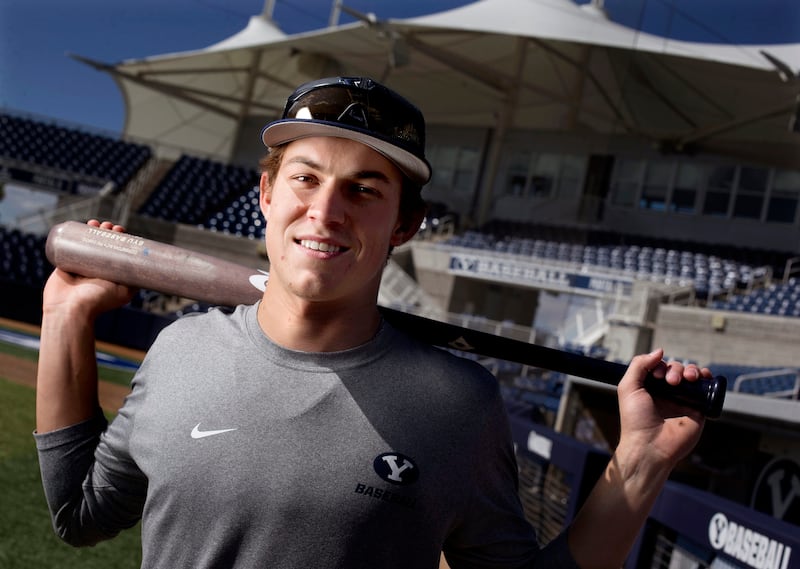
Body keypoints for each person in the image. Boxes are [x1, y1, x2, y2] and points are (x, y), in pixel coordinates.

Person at [35, 76, 710, 568]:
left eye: (364, 189)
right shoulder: (181, 349)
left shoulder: (457, 404)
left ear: (405, 224)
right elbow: (82, 513)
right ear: (266, 194)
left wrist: (639, 464)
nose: (326, 212)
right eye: (306, 178)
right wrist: (64, 315)